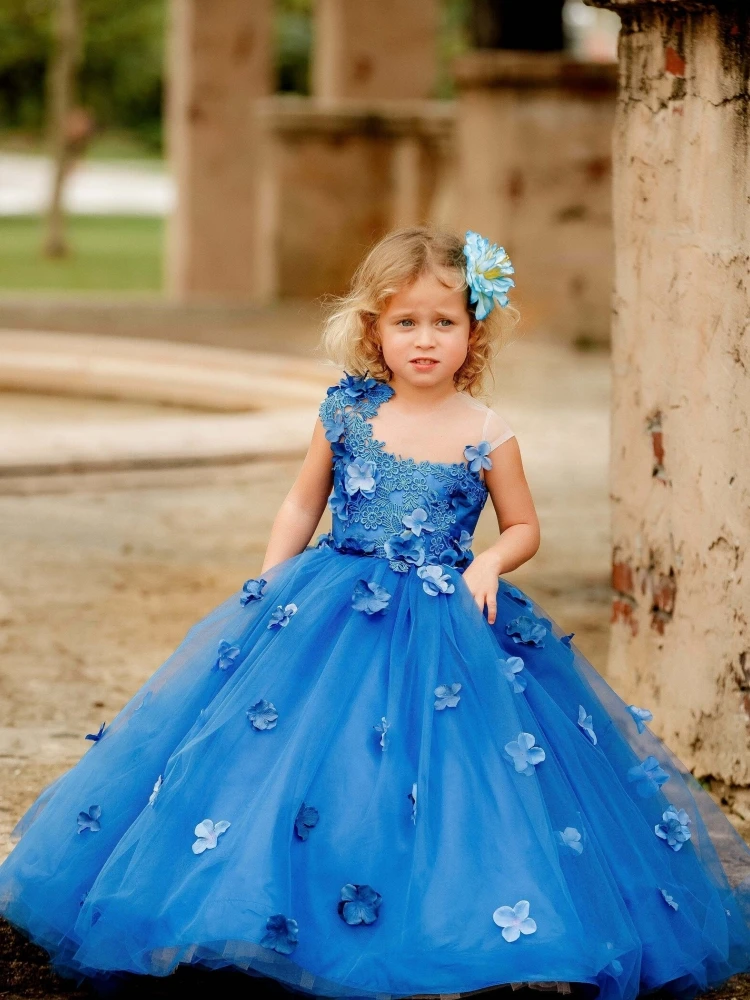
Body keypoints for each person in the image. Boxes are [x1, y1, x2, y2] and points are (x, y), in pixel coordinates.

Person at [0, 227, 749, 1000]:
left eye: (444, 322)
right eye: (406, 322)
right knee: (300, 757)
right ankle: (280, 911)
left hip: (447, 624)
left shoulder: (489, 433)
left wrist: (490, 560)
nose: (425, 341)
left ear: (474, 331)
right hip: (330, 605)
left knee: (452, 769)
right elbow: (302, 502)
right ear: (374, 331)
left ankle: (438, 918)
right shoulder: (346, 415)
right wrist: (271, 586)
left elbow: (523, 526)